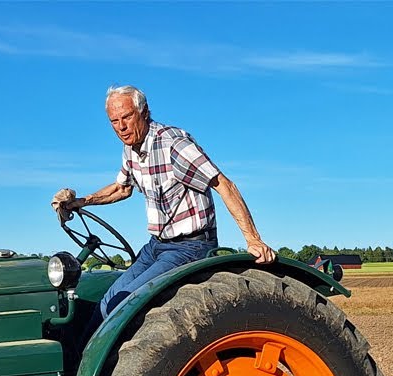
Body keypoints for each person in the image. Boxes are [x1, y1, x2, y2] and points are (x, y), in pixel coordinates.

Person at [53, 85, 276, 319]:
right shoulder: (131, 149)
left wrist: (253, 240)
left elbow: (223, 184)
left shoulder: (173, 145)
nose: (121, 127)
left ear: (144, 112)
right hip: (157, 245)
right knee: (110, 300)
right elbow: (122, 188)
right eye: (114, 121)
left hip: (191, 246)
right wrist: (79, 202)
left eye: (127, 117)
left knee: (131, 303)